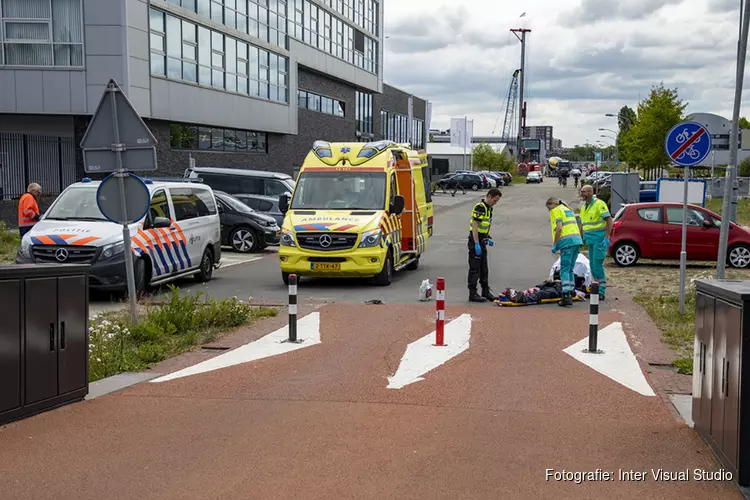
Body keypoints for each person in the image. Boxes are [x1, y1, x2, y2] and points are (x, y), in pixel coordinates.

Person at [546, 197, 583, 307]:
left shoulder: (556, 210)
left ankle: (565, 295)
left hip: (567, 242)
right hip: (576, 241)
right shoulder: (568, 209)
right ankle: (571, 291)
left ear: (551, 205)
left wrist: (555, 244)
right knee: (570, 269)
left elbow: (559, 228)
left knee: (564, 270)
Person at [578, 185, 613, 300]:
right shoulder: (584, 207)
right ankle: (595, 289)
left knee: (597, 265)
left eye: (583, 192)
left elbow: (608, 220)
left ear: (589, 192)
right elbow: (583, 225)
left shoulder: (599, 204)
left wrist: (607, 236)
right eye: (581, 191)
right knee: (592, 266)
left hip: (599, 240)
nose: (581, 193)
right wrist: (581, 240)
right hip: (590, 240)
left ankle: (601, 291)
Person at [468, 188, 503, 303]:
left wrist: (487, 237)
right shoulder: (480, 208)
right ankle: (472, 293)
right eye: (494, 200)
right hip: (475, 240)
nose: (495, 203)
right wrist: (476, 243)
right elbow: (475, 226)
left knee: (484, 268)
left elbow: (484, 225)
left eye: (496, 201)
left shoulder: (489, 208)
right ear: (488, 196)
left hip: (482, 239)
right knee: (475, 269)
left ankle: (485, 291)